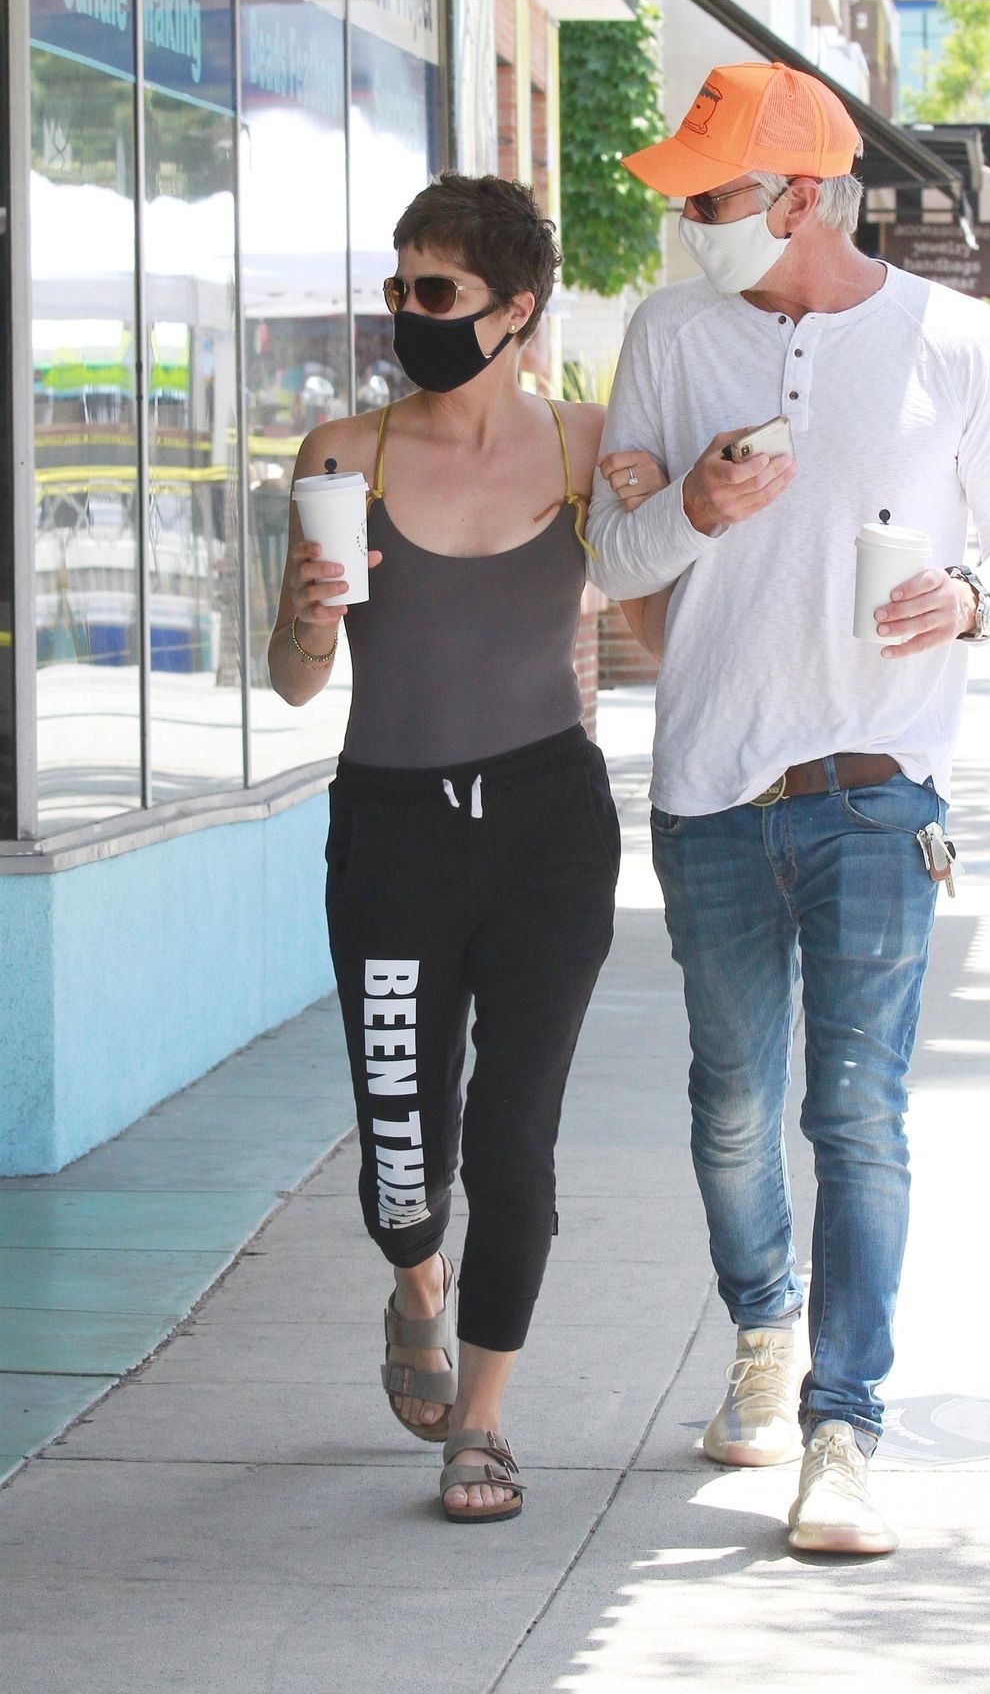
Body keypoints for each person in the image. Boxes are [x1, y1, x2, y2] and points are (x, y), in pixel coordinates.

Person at [588, 60, 990, 1558]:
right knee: (732, 1105)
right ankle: (763, 1328)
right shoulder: (669, 333)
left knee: (857, 1112)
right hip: (712, 787)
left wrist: (971, 596)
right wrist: (693, 508)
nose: (692, 224)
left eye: (712, 198)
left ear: (800, 197)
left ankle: (843, 1427)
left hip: (876, 791)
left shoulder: (956, 338)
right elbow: (611, 556)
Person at [268, 174, 632, 1525]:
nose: (406, 313)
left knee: (516, 1137)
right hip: (394, 830)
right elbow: (296, 680)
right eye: (398, 287)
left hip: (548, 827)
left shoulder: (589, 448)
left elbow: (657, 590)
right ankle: (414, 1278)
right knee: (402, 1150)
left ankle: (479, 1422)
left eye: (435, 291)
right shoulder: (342, 455)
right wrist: (308, 614)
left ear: (515, 311)